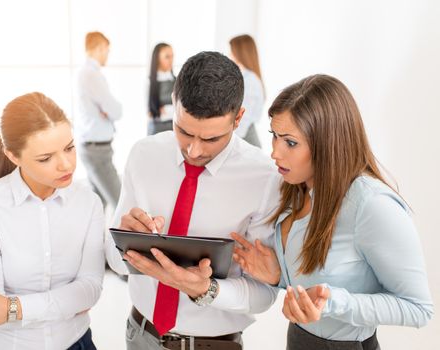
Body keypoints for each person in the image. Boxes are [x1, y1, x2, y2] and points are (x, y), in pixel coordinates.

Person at [232, 74, 434, 350]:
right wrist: (280, 277)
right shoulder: (295, 187)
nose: (275, 153)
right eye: (274, 136)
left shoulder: (372, 206)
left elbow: (417, 308)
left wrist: (334, 302)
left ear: (327, 143)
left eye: (290, 142)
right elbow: (313, 278)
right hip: (299, 340)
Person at [105, 51, 281, 350]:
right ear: (174, 102)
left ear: (238, 118)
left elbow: (265, 294)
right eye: (184, 131)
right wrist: (126, 243)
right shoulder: (143, 155)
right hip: (140, 335)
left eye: (211, 139)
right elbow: (114, 261)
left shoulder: (265, 178)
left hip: (212, 345)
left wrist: (205, 289)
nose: (195, 151)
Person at [0, 92, 105, 350]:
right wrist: (63, 304)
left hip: (77, 343)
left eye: (69, 148)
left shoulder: (88, 203)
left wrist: (12, 308)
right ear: (13, 156)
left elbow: (89, 291)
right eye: (45, 158)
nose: (66, 165)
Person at [75, 31, 122, 210]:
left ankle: (97, 239)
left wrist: (106, 111)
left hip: (94, 148)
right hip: (97, 151)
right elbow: (116, 110)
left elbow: (108, 109)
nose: (108, 54)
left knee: (97, 206)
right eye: (107, 50)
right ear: (100, 48)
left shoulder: (87, 73)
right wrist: (108, 111)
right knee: (121, 204)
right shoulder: (90, 75)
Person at [229, 34, 265, 148]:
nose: (229, 55)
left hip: (245, 140)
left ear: (240, 53)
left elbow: (243, 120)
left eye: (231, 51)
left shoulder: (250, 81)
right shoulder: (243, 77)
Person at [147, 42, 175, 135]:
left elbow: (183, 109)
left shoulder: (177, 80)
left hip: (174, 131)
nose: (171, 60)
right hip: (156, 131)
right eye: (167, 56)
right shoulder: (149, 82)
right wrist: (174, 109)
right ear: (157, 59)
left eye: (172, 56)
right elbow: (151, 113)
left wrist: (166, 110)